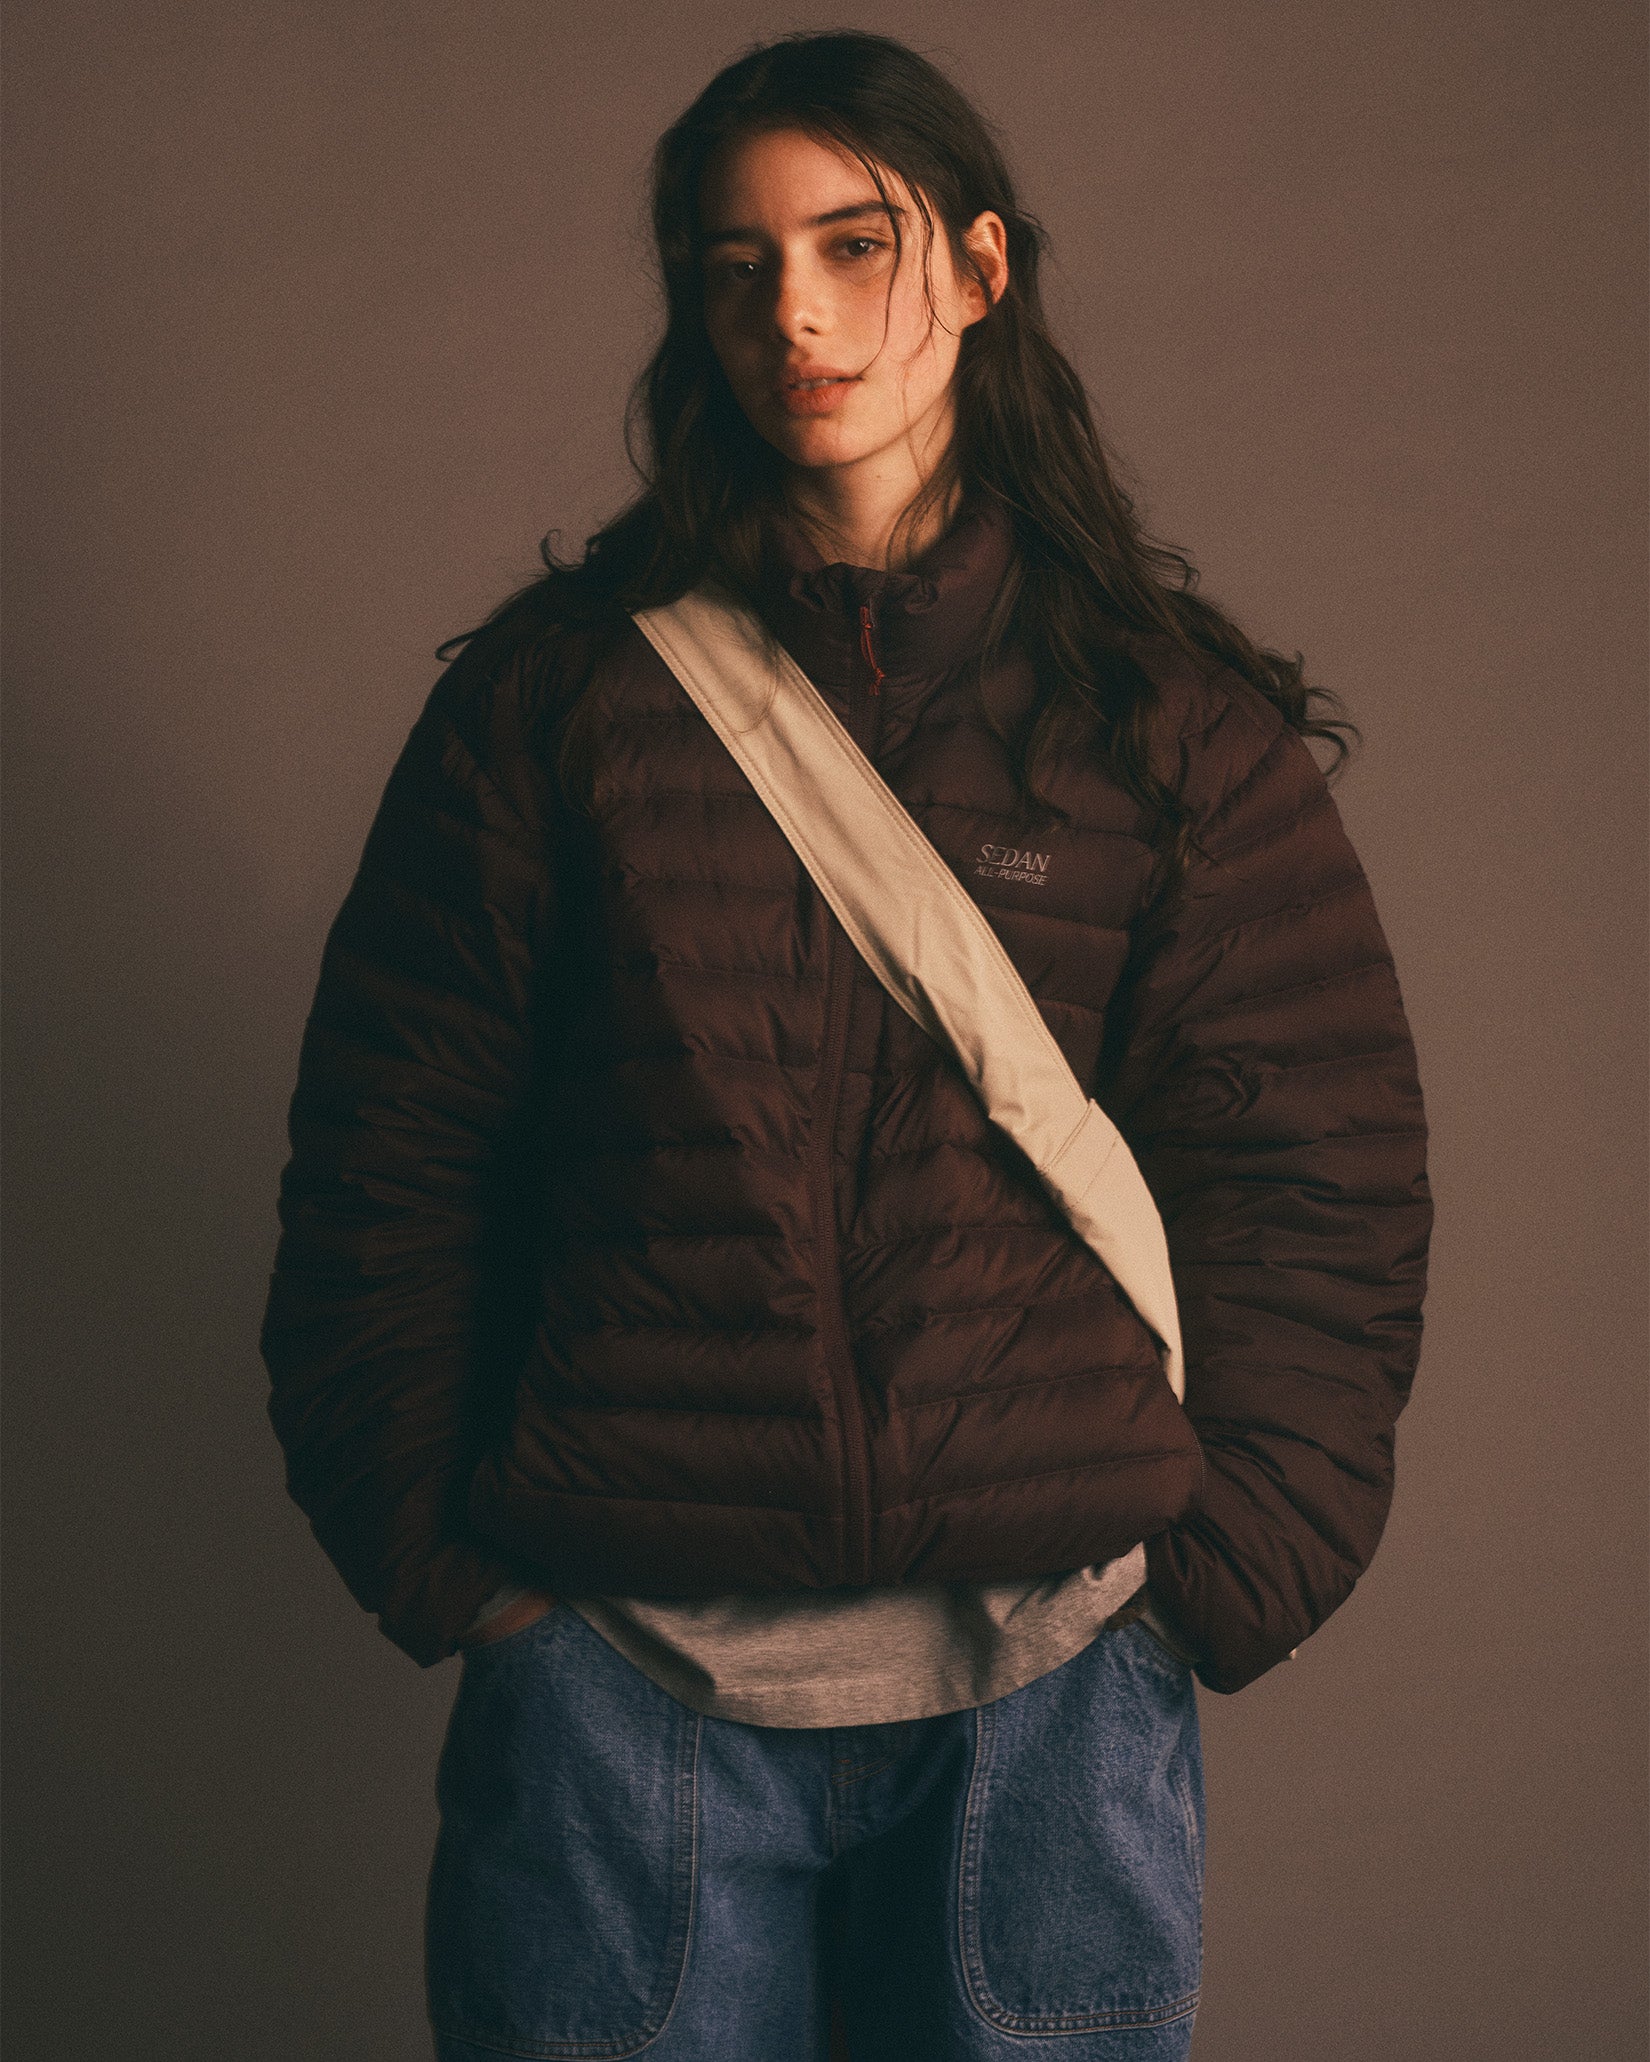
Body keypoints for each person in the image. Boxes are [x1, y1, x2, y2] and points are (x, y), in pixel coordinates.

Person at [260, 29, 1432, 2061]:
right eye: (736, 267)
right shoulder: (554, 712)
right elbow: (390, 1159)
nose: (792, 313)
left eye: (851, 244)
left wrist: (1207, 1580)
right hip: (616, 1706)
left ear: (978, 266)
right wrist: (469, 1584)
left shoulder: (1165, 728)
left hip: (1057, 1703)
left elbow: (1313, 1174)